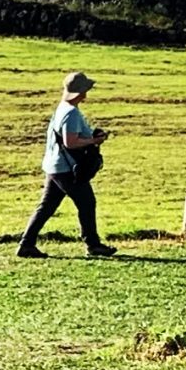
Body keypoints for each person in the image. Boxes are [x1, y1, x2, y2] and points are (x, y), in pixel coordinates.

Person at [15, 71, 117, 258]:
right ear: (80, 93)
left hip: (54, 166)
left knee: (47, 207)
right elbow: (71, 142)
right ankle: (93, 244)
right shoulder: (71, 113)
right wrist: (93, 142)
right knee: (87, 202)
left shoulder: (62, 108)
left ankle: (26, 244)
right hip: (66, 169)